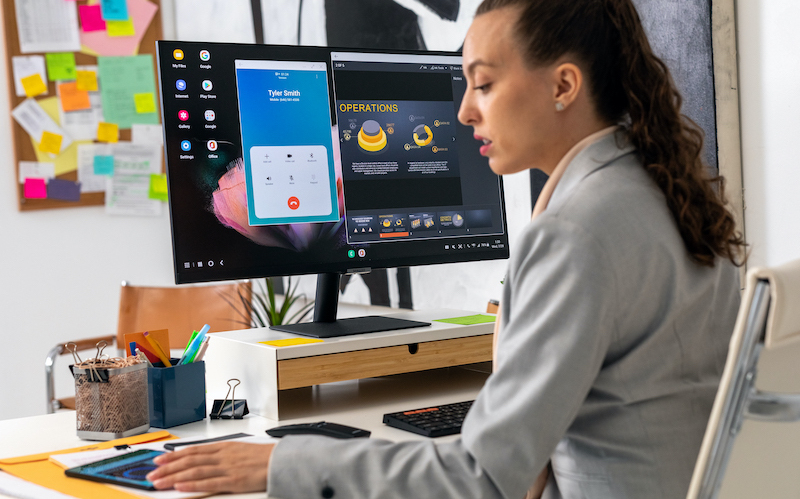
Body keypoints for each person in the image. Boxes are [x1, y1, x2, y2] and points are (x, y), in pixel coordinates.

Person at [147, 0, 744, 497]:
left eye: (483, 84)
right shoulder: (660, 190)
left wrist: (282, 466)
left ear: (563, 85)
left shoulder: (575, 233)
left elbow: (484, 476)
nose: (463, 111)